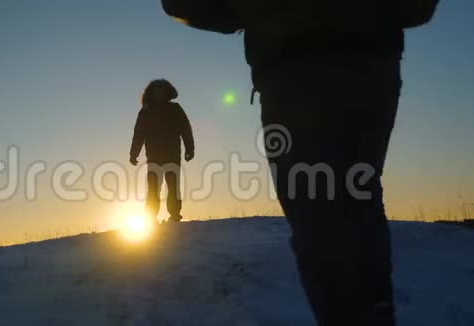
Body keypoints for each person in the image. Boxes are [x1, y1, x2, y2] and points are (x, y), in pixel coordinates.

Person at [160, 1, 438, 325]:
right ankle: (374, 313)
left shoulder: (174, 111)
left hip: (298, 68)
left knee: (317, 208)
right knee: (358, 195)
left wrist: (256, 12)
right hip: (370, 63)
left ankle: (358, 315)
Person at [130, 79, 195, 224]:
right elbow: (138, 133)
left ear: (167, 92)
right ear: (151, 93)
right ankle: (151, 217)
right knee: (153, 189)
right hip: (153, 157)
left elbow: (186, 129)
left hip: (172, 155)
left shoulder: (175, 109)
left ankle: (175, 216)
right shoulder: (145, 112)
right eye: (156, 91)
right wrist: (134, 153)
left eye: (162, 90)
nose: (159, 93)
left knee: (173, 187)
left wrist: (190, 148)